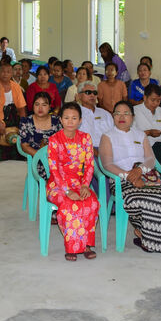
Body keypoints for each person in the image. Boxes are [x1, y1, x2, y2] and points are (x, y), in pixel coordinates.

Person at [99, 100, 161, 253]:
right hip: (120, 180)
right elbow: (107, 164)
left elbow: (150, 159)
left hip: (145, 176)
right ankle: (144, 234)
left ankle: (157, 233)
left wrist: (139, 171)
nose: (121, 117)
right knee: (145, 200)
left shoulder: (140, 134)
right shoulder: (107, 136)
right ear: (113, 116)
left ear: (133, 117)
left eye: (126, 113)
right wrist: (129, 176)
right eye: (117, 113)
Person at [46, 102, 99, 261]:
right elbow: (53, 169)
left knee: (91, 202)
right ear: (61, 120)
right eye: (66, 118)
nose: (70, 121)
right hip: (58, 184)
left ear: (80, 120)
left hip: (80, 182)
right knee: (70, 205)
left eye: (74, 118)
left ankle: (86, 245)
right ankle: (72, 247)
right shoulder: (54, 140)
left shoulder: (85, 138)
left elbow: (90, 164)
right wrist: (67, 191)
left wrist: (85, 185)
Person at [0, 63, 27, 162]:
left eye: (8, 72)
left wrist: (23, 122)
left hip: (12, 113)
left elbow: (21, 107)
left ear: (12, 74)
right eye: (2, 71)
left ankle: (22, 151)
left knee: (24, 128)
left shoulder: (16, 87)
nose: (5, 74)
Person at [133, 84, 161, 164]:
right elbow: (130, 136)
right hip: (147, 148)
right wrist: (148, 133)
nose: (155, 103)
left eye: (158, 100)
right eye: (153, 100)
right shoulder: (135, 111)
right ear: (145, 98)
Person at [19, 91, 61, 162]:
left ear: (50, 107)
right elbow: (25, 147)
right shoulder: (26, 122)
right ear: (33, 106)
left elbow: (62, 143)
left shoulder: (57, 121)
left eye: (44, 105)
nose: (40, 108)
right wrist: (42, 158)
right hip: (35, 158)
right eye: (37, 104)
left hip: (55, 158)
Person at [77, 81, 113, 155]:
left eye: (95, 93)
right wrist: (91, 149)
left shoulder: (105, 114)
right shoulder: (75, 114)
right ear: (79, 95)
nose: (92, 95)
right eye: (88, 92)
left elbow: (114, 135)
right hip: (84, 151)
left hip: (108, 151)